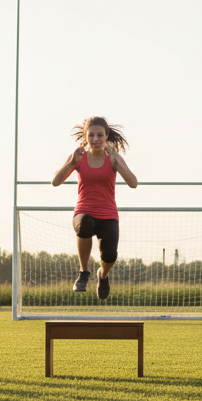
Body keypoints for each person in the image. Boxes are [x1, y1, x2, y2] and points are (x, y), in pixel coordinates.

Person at [52, 117, 138, 300]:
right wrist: (71, 163)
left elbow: (133, 183)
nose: (96, 139)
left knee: (109, 255)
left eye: (100, 135)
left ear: (107, 136)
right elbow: (55, 181)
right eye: (91, 135)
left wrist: (117, 161)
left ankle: (103, 275)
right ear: (85, 136)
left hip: (108, 214)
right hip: (84, 210)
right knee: (83, 226)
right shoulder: (79, 156)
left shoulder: (113, 158)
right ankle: (84, 272)